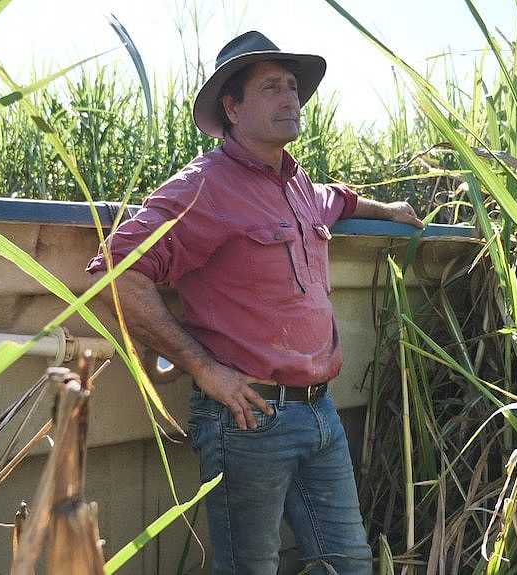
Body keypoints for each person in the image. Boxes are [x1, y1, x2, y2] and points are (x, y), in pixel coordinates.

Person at [87, 30, 424, 574]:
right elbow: (115, 273)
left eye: (292, 86)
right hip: (249, 419)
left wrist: (388, 208)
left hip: (321, 413)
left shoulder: (296, 183)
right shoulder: (204, 187)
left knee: (349, 564)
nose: (290, 98)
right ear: (233, 107)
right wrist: (203, 368)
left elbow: (335, 200)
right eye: (271, 87)